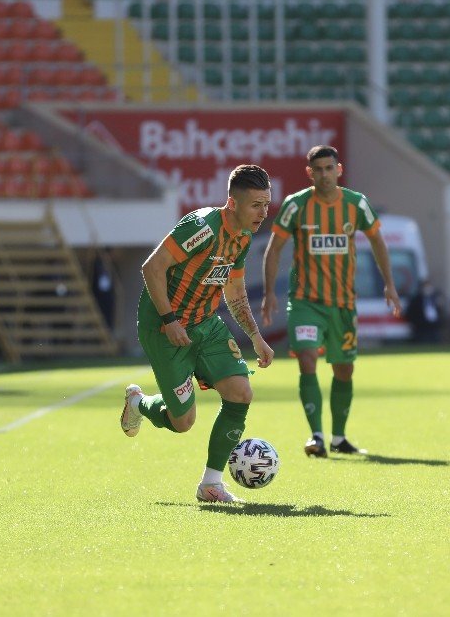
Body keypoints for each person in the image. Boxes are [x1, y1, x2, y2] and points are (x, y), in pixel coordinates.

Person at [118, 164, 275, 503]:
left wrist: (256, 337)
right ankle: (138, 402)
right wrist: (170, 319)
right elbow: (152, 267)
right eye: (256, 205)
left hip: (205, 323)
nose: (264, 213)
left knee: (241, 392)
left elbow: (234, 292)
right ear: (233, 203)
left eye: (267, 204)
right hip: (165, 327)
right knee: (182, 422)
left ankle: (211, 484)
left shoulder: (244, 238)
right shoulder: (200, 228)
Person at [261, 145, 402, 458]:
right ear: (309, 173)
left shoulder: (356, 204)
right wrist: (270, 291)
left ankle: (339, 438)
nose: (324, 174)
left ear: (339, 170)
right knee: (307, 359)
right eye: (318, 169)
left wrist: (389, 285)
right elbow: (274, 249)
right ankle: (316, 436)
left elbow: (378, 240)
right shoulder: (295, 205)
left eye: (329, 168)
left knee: (344, 371)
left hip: (342, 304)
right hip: (305, 302)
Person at [406, 278, 445, 343]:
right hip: (421, 329)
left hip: (434, 328)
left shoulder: (435, 299)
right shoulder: (416, 300)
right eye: (426, 286)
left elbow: (440, 312)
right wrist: (417, 323)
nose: (428, 288)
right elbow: (410, 314)